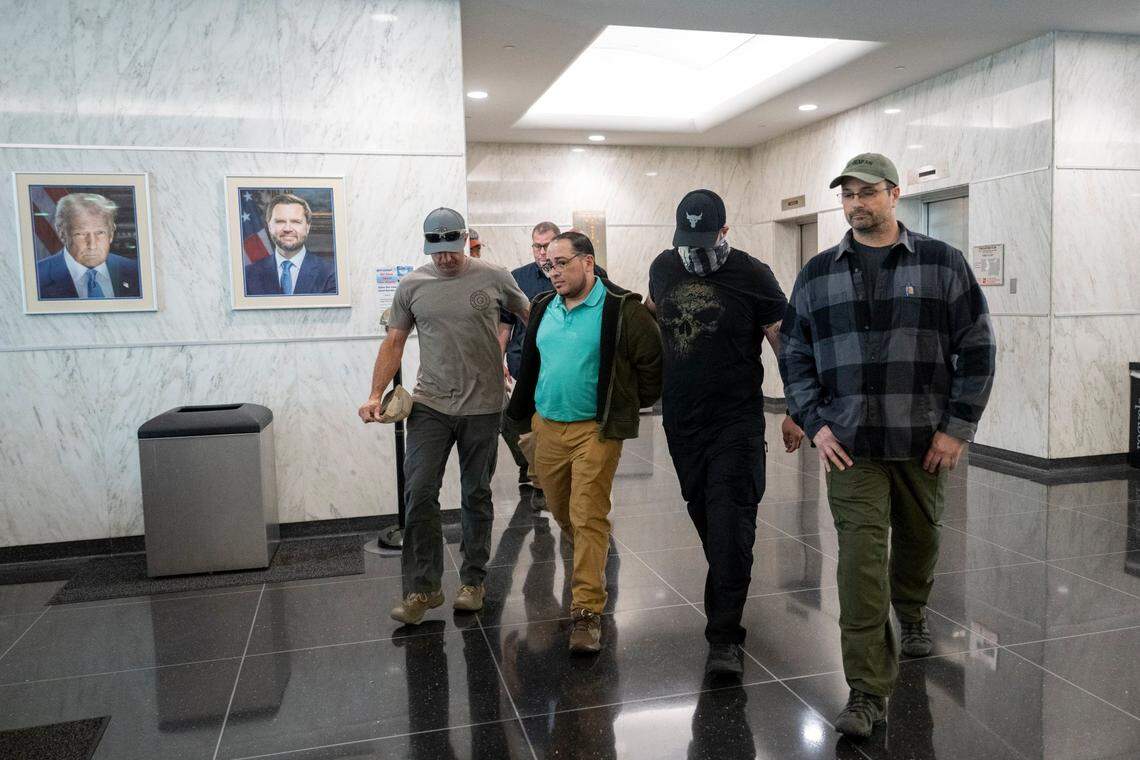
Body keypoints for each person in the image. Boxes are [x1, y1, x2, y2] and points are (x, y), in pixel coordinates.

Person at [779, 153, 996, 737]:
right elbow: (795, 355)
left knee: (921, 542)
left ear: (895, 194)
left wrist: (957, 428)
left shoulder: (941, 264)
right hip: (850, 448)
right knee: (859, 564)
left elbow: (976, 348)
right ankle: (867, 691)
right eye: (847, 194)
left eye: (866, 192)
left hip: (923, 439)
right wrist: (813, 422)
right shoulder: (818, 272)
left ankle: (914, 608)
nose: (855, 204)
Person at [646, 189, 803, 677]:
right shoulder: (664, 266)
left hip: (735, 419)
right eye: (686, 241)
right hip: (681, 421)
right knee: (708, 520)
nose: (695, 251)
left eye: (704, 239)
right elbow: (655, 313)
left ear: (724, 232)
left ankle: (725, 638)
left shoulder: (753, 275)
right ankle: (727, 592)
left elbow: (785, 342)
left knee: (733, 526)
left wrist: (797, 406)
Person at [358, 207, 530, 625]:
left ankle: (473, 580)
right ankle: (424, 588)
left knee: (475, 494)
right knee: (418, 492)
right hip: (430, 404)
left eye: (452, 250)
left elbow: (533, 317)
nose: (446, 259)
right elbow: (394, 341)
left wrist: (541, 377)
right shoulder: (413, 284)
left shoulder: (494, 276)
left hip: (484, 406)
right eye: (438, 252)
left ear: (465, 240)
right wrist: (374, 394)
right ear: (427, 246)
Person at [507, 231, 661, 653]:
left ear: (588, 262)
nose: (553, 272)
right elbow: (533, 363)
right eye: (548, 265)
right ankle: (588, 561)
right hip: (547, 426)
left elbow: (651, 364)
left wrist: (628, 403)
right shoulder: (542, 307)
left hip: (595, 429)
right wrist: (527, 418)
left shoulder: (620, 308)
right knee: (564, 514)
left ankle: (587, 612)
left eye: (561, 263)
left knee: (588, 513)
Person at [501, 222, 608, 490]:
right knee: (517, 423)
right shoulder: (517, 278)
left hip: (575, 367)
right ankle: (533, 470)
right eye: (537, 246)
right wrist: (497, 359)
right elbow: (504, 326)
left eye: (547, 246)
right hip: (528, 365)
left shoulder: (592, 274)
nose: (541, 252)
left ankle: (558, 477)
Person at [35, 193, 140, 300]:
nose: (92, 245)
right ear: (62, 234)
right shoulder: (36, 277)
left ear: (111, 233)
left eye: (100, 233)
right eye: (81, 234)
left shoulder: (135, 271)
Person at [244, 193, 337, 295]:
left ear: (308, 227)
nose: (287, 229)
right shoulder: (248, 275)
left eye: (296, 222)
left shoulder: (331, 273)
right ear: (269, 226)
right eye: (280, 221)